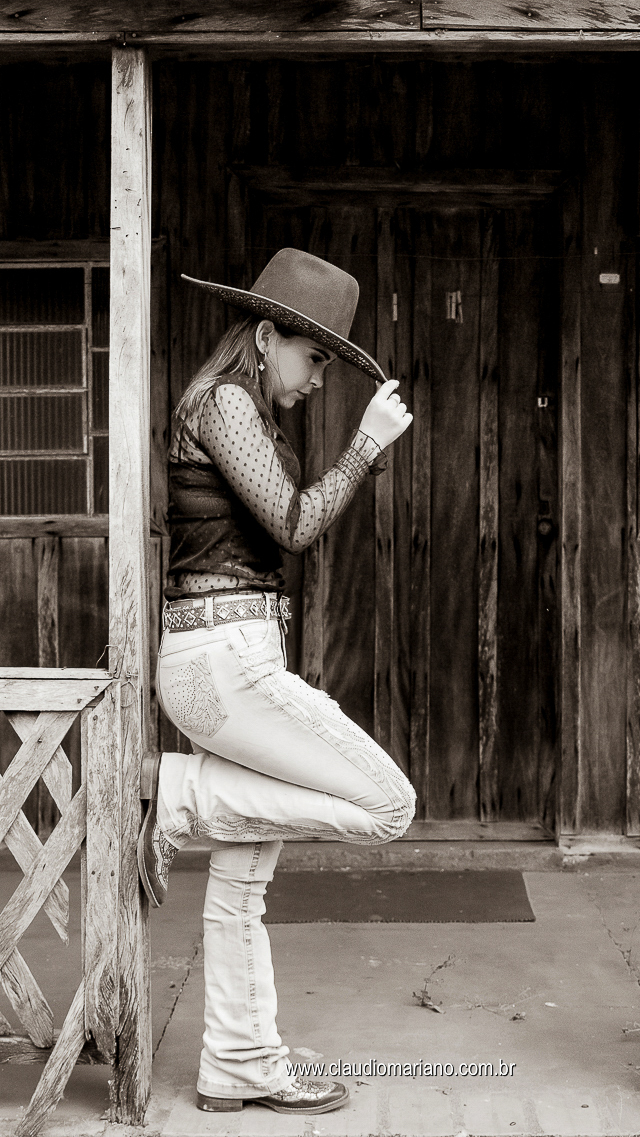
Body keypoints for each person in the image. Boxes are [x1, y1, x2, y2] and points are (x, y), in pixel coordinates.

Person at [136, 248, 416, 1116]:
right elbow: (295, 523)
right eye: (314, 357)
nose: (320, 380)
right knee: (388, 805)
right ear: (265, 336)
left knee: (242, 882)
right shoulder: (222, 400)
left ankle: (240, 1062)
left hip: (230, 658)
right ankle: (177, 792)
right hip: (222, 663)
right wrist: (367, 445)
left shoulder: (245, 411)